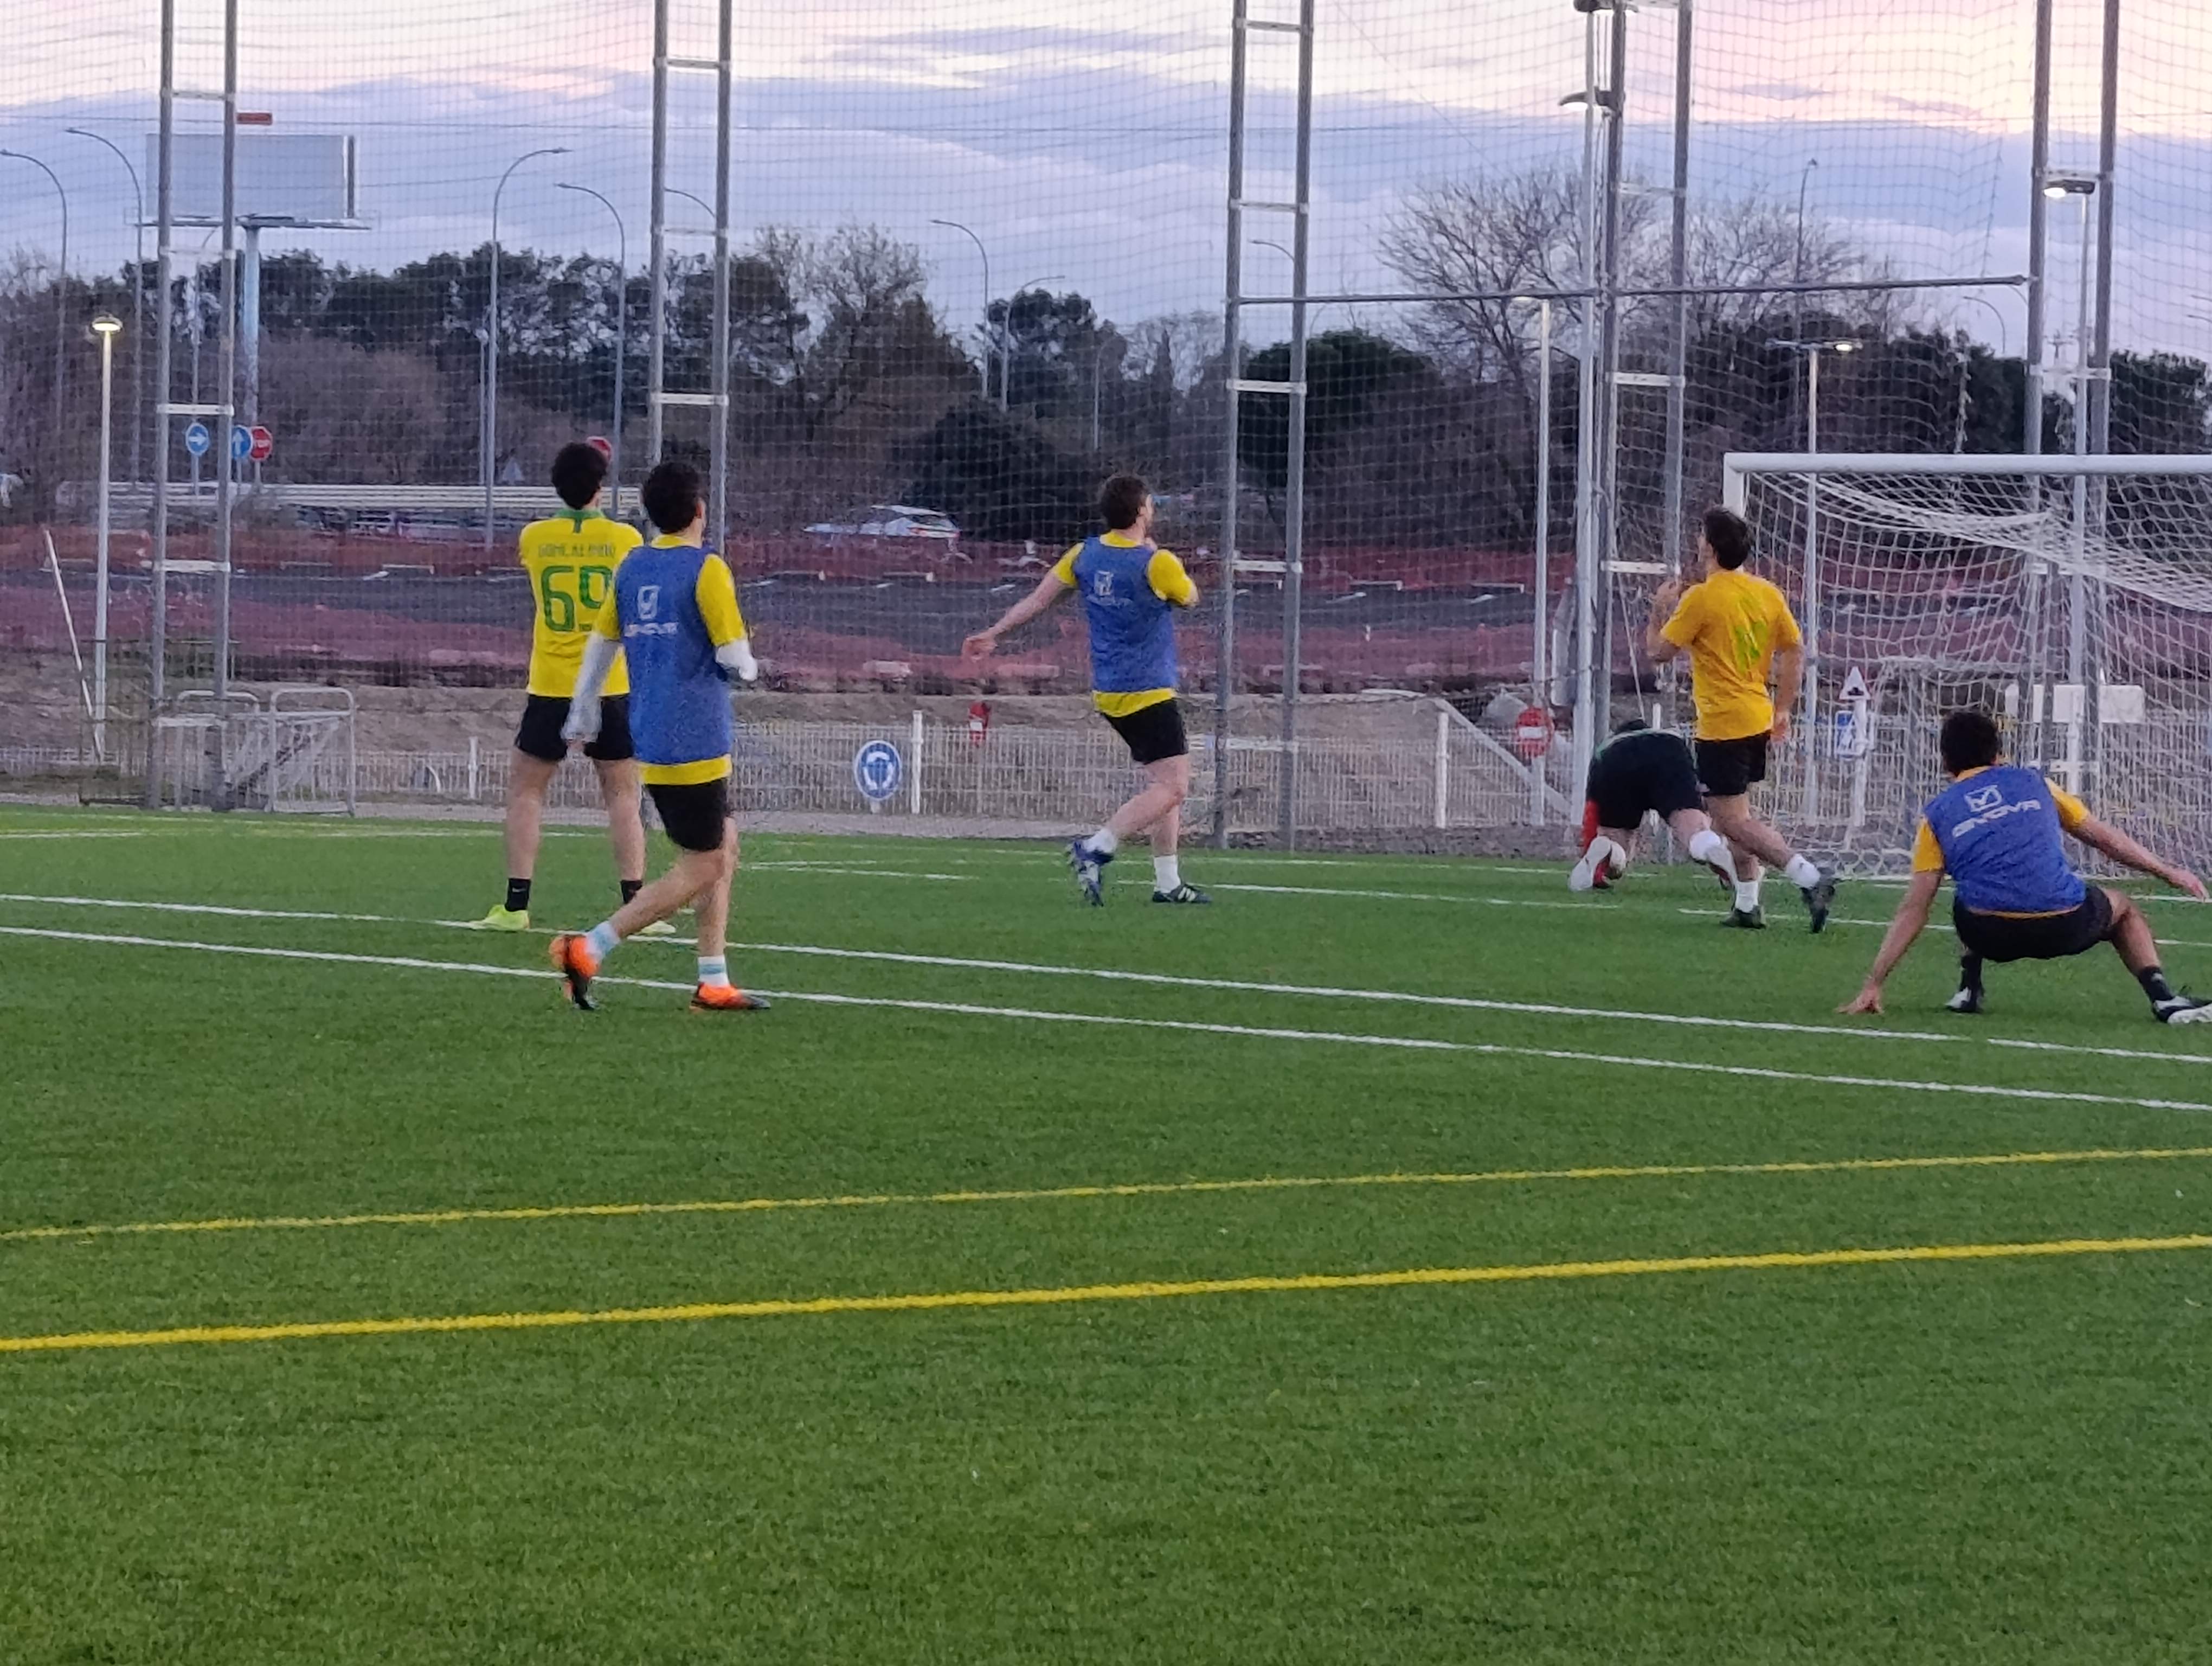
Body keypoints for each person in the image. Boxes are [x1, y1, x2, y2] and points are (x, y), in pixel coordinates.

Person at [550, 459, 768, 1014]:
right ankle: (587, 949)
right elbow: (734, 658)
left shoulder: (633, 567)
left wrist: (582, 716)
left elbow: (601, 646)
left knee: (723, 842)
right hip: (695, 733)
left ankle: (713, 979)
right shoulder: (706, 568)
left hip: (652, 728)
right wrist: (751, 663)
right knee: (705, 864)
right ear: (699, 510)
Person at [1840, 707, 2210, 1022]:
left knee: (1968, 892)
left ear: (1945, 762)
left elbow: (1915, 909)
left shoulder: (1936, 815)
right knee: (2124, 909)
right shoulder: (2036, 783)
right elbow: (2106, 839)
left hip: (1989, 933)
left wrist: (1874, 982)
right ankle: (2163, 998)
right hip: (2065, 923)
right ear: (1998, 754)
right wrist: (2168, 872)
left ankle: (1969, 989)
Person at [962, 472, 1207, 906]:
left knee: (1161, 785)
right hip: (1147, 690)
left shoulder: (1085, 555)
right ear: (1141, 512)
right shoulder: (1158, 562)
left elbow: (1038, 600)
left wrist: (994, 633)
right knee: (1175, 788)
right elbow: (1190, 598)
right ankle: (1096, 847)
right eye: (1150, 504)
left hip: (1108, 691)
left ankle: (1168, 883)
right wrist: (1159, 562)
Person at [472, 441, 671, 935]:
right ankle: (637, 907)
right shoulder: (624, 539)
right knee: (622, 793)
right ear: (600, 487)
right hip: (610, 682)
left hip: (553, 683)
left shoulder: (535, 537)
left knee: (527, 791)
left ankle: (516, 906)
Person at [1645, 505, 1837, 932]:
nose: (1697, 542)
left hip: (1723, 724)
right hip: (1757, 717)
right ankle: (1748, 905)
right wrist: (1783, 706)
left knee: (1732, 820)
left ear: (1710, 547)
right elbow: (1795, 649)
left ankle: (1810, 877)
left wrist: (1659, 610)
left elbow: (1658, 653)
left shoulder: (1701, 598)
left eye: (1701, 536)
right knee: (1735, 816)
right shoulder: (1766, 592)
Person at [1570, 718, 1740, 896]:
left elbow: (1592, 810)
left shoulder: (1605, 748)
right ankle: (1714, 850)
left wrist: (1594, 860)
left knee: (1617, 848)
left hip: (1616, 760)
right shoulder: (1667, 736)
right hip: (1668, 750)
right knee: (1694, 832)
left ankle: (1606, 846)